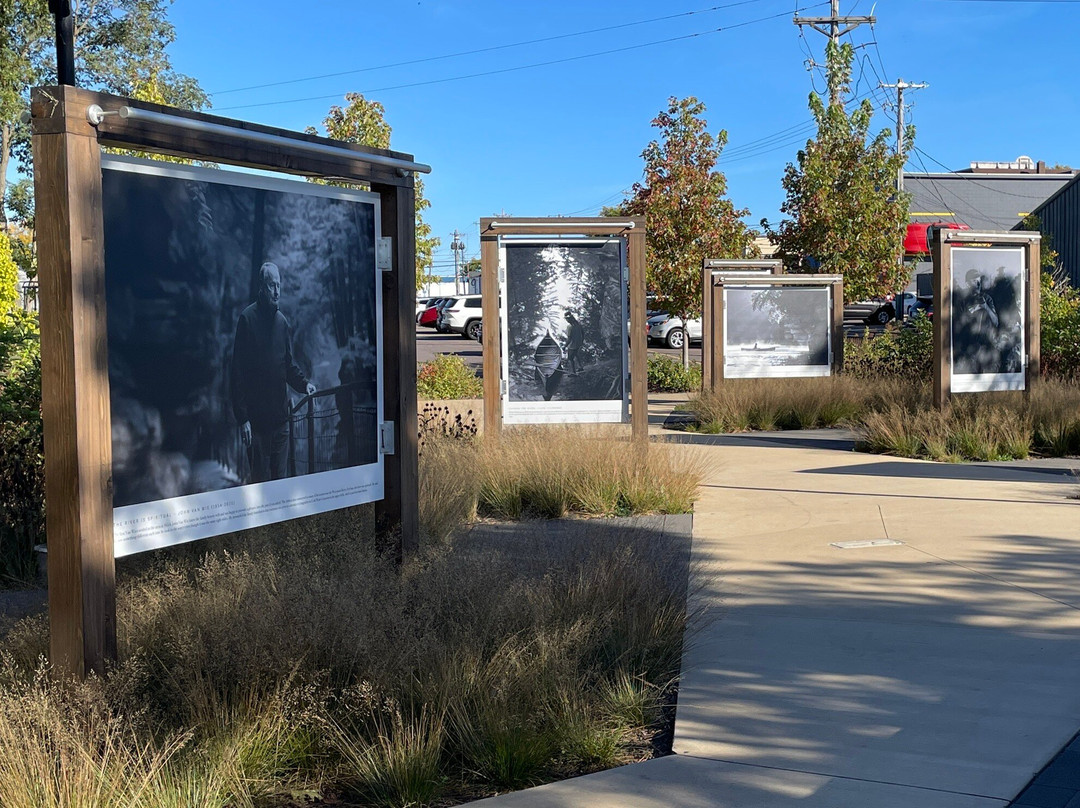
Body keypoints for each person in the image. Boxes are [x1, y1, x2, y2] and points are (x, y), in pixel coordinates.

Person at [231, 261, 315, 483]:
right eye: (271, 286)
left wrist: (304, 384)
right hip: (257, 425)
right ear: (262, 286)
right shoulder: (247, 320)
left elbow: (287, 365)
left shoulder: (282, 323)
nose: (277, 291)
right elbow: (237, 372)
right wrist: (243, 419)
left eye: (279, 285)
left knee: (281, 485)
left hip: (281, 422)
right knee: (259, 485)